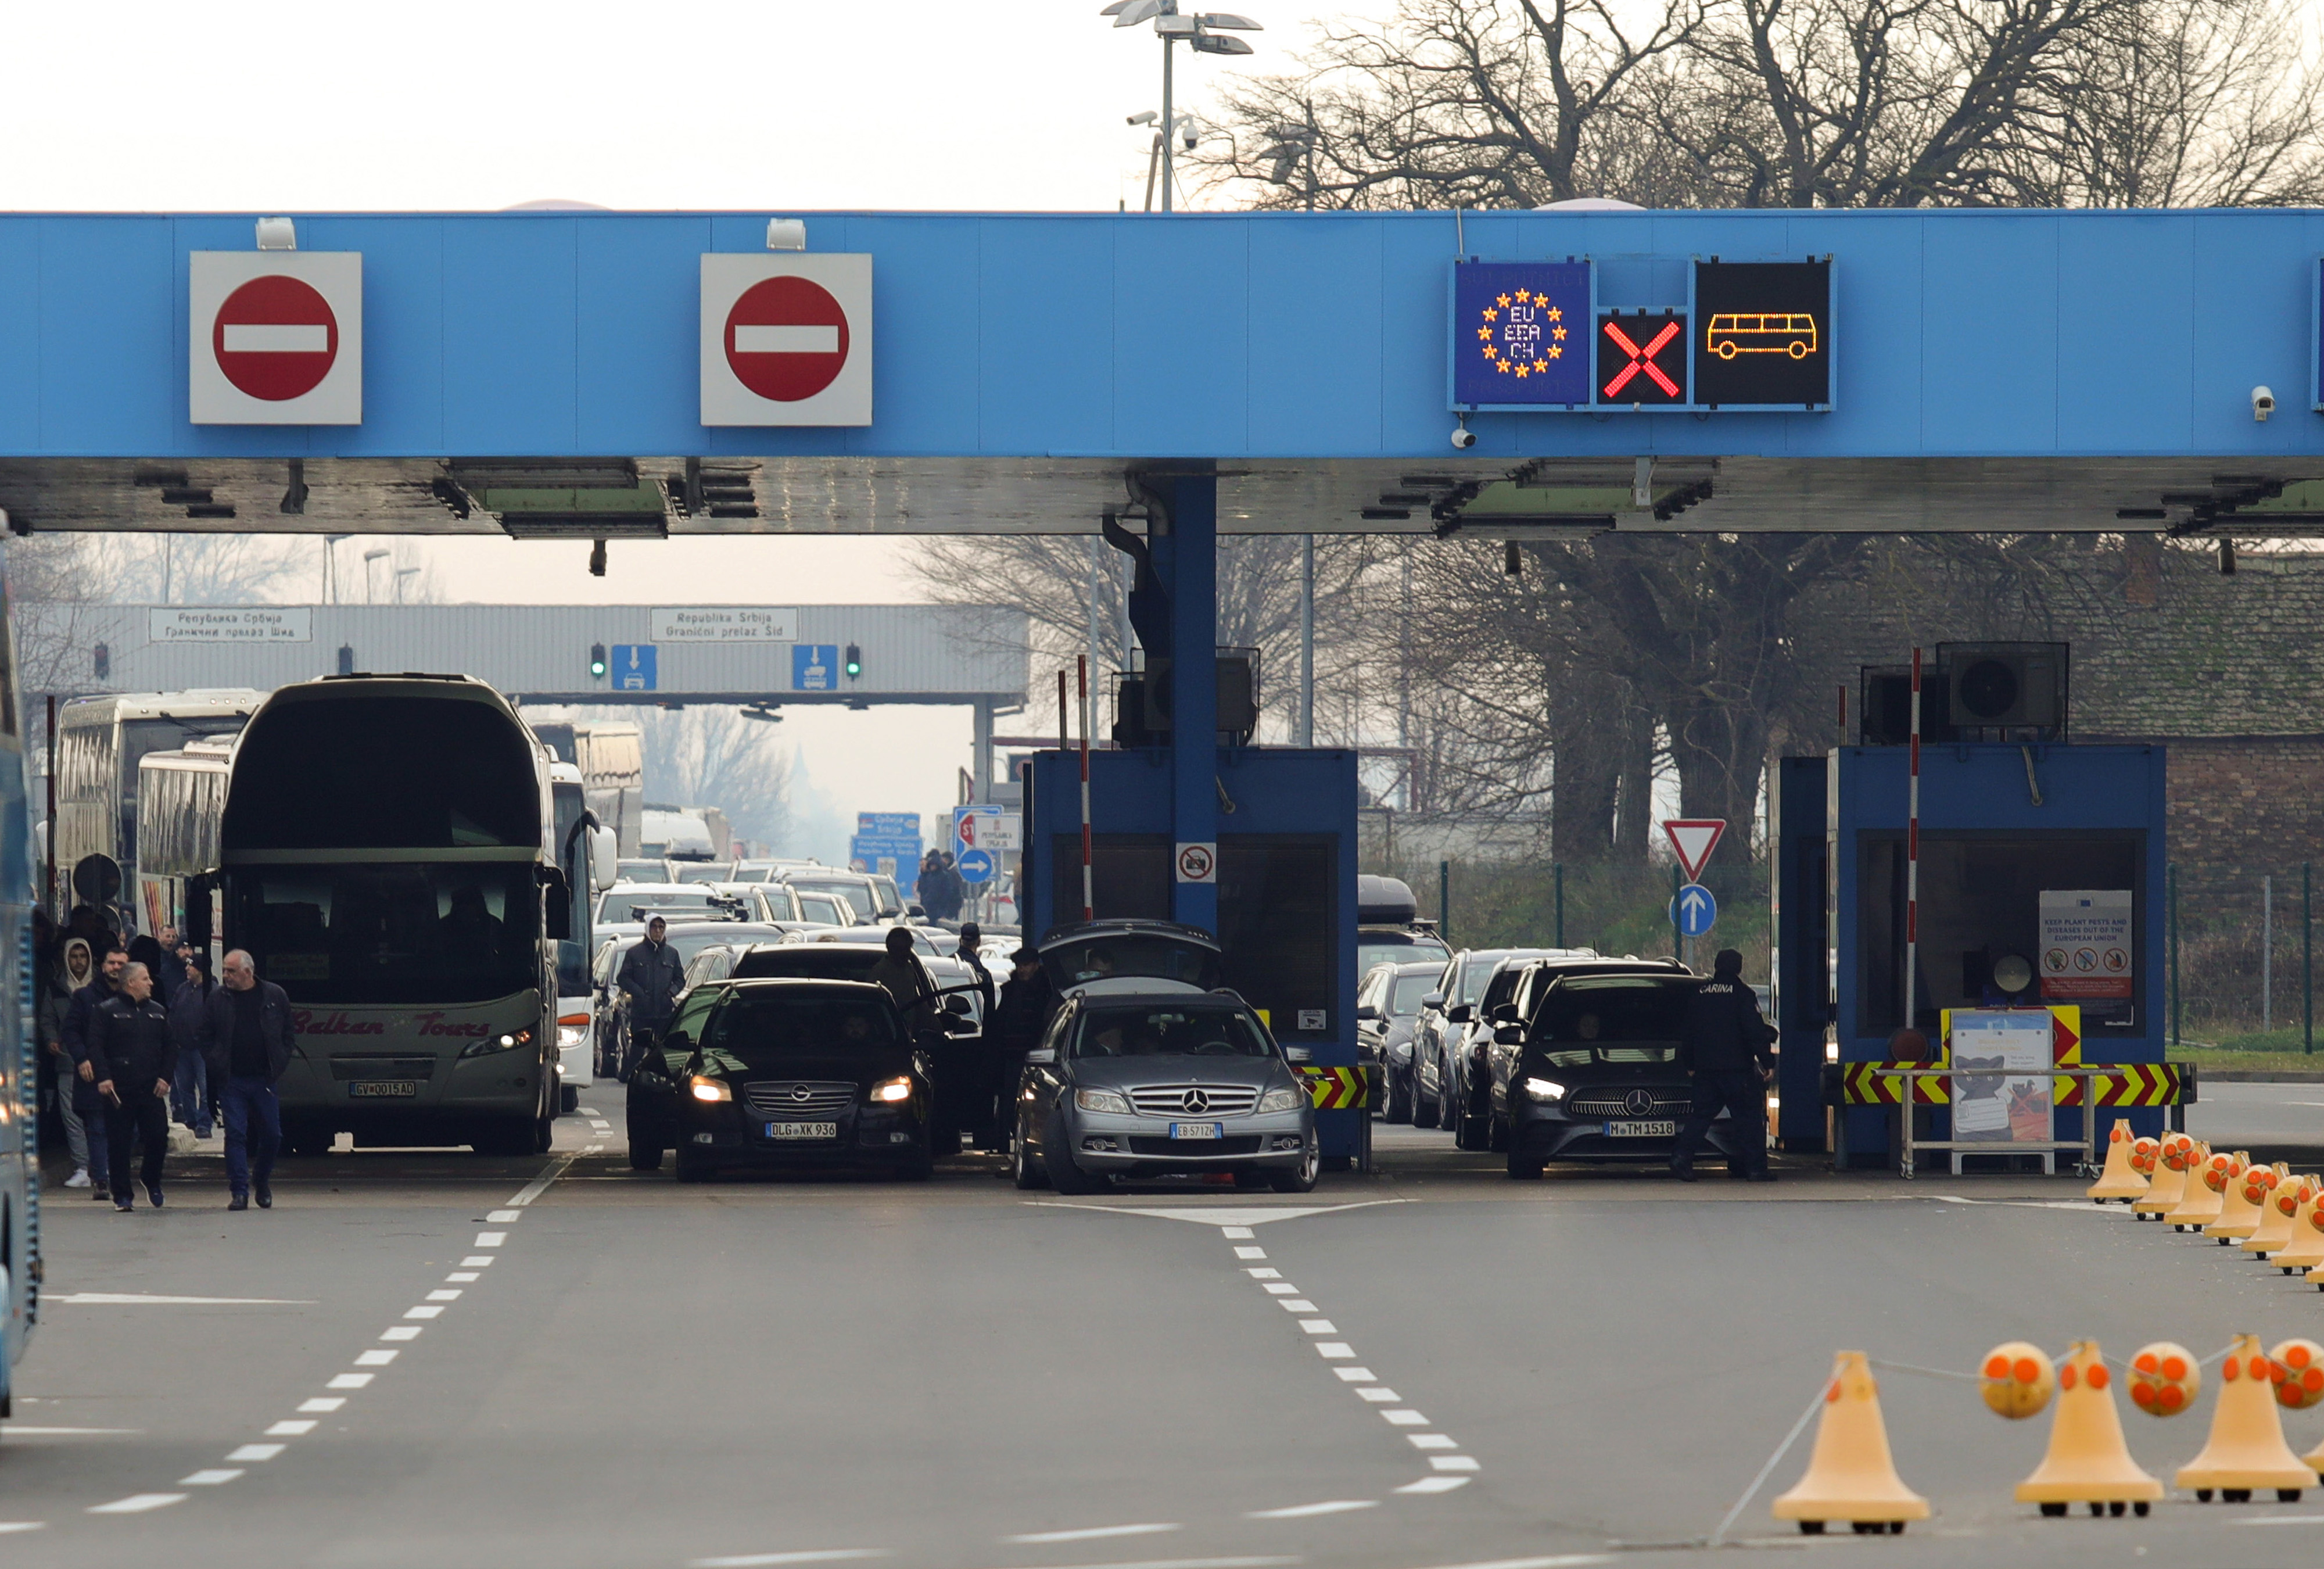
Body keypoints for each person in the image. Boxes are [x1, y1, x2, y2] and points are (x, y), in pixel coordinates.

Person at [1669, 948, 1778, 1184]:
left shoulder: (1699, 994)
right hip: (1737, 1071)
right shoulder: (1742, 995)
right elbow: (1754, 1033)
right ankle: (1756, 1169)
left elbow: (1688, 1033)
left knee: (1700, 1117)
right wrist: (1768, 1062)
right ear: (1738, 968)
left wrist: (1689, 1063)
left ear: (1717, 966)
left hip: (1706, 1070)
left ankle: (1681, 1157)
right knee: (1749, 1119)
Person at [199, 949, 296, 1211]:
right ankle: (239, 1191)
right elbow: (205, 1036)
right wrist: (217, 1062)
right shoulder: (218, 998)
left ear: (248, 972)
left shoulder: (274, 995)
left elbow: (288, 1033)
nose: (226, 976)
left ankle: (261, 1181)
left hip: (264, 1078)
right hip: (232, 1080)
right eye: (225, 970)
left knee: (273, 1135)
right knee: (236, 1134)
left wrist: (280, 1061)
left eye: (231, 971)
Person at [87, 961, 175, 1212]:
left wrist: (165, 1078)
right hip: (119, 1088)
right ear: (130, 983)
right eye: (145, 979)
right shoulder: (106, 1011)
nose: (151, 983)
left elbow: (171, 1048)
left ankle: (151, 1179)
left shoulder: (158, 1011)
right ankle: (122, 1195)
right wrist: (103, 1077)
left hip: (151, 1088)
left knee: (158, 1136)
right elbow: (96, 1046)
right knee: (119, 1143)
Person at [62, 942, 125, 1202]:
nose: (116, 968)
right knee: (98, 1128)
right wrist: (82, 1058)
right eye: (112, 963)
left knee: (127, 1130)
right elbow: (70, 1031)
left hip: (125, 1074)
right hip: (93, 1074)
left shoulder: (134, 996)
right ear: (103, 966)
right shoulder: (85, 997)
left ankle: (116, 1172)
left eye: (122, 964)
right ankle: (101, 1179)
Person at [41, 937, 95, 1188]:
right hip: (67, 1062)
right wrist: (52, 1039)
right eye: (74, 956)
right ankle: (82, 1167)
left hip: (96, 1063)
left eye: (83, 956)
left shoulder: (99, 987)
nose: (79, 962)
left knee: (96, 1116)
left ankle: (100, 1165)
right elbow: (48, 1019)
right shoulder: (57, 988)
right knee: (71, 1116)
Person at [615, 916, 685, 1075]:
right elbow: (623, 978)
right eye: (654, 927)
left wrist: (670, 993)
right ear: (648, 930)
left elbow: (680, 979)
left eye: (661, 927)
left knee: (662, 1049)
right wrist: (639, 994)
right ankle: (631, 1076)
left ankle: (661, 1079)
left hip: (664, 1012)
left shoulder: (672, 954)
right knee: (638, 1048)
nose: (658, 931)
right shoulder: (635, 953)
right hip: (642, 1012)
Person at [169, 952, 218, 1139]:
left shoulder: (213, 991)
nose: (187, 969)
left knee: (206, 1090)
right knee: (184, 1088)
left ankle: (205, 1124)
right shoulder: (182, 989)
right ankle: (191, 1121)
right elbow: (173, 1013)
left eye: (191, 966)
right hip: (183, 1048)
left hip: (203, 1051)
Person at [866, 926, 938, 1034]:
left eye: (908, 948)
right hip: (887, 1032)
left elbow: (917, 1000)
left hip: (910, 1031)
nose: (906, 953)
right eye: (900, 949)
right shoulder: (879, 973)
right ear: (890, 949)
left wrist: (936, 1025)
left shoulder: (909, 968)